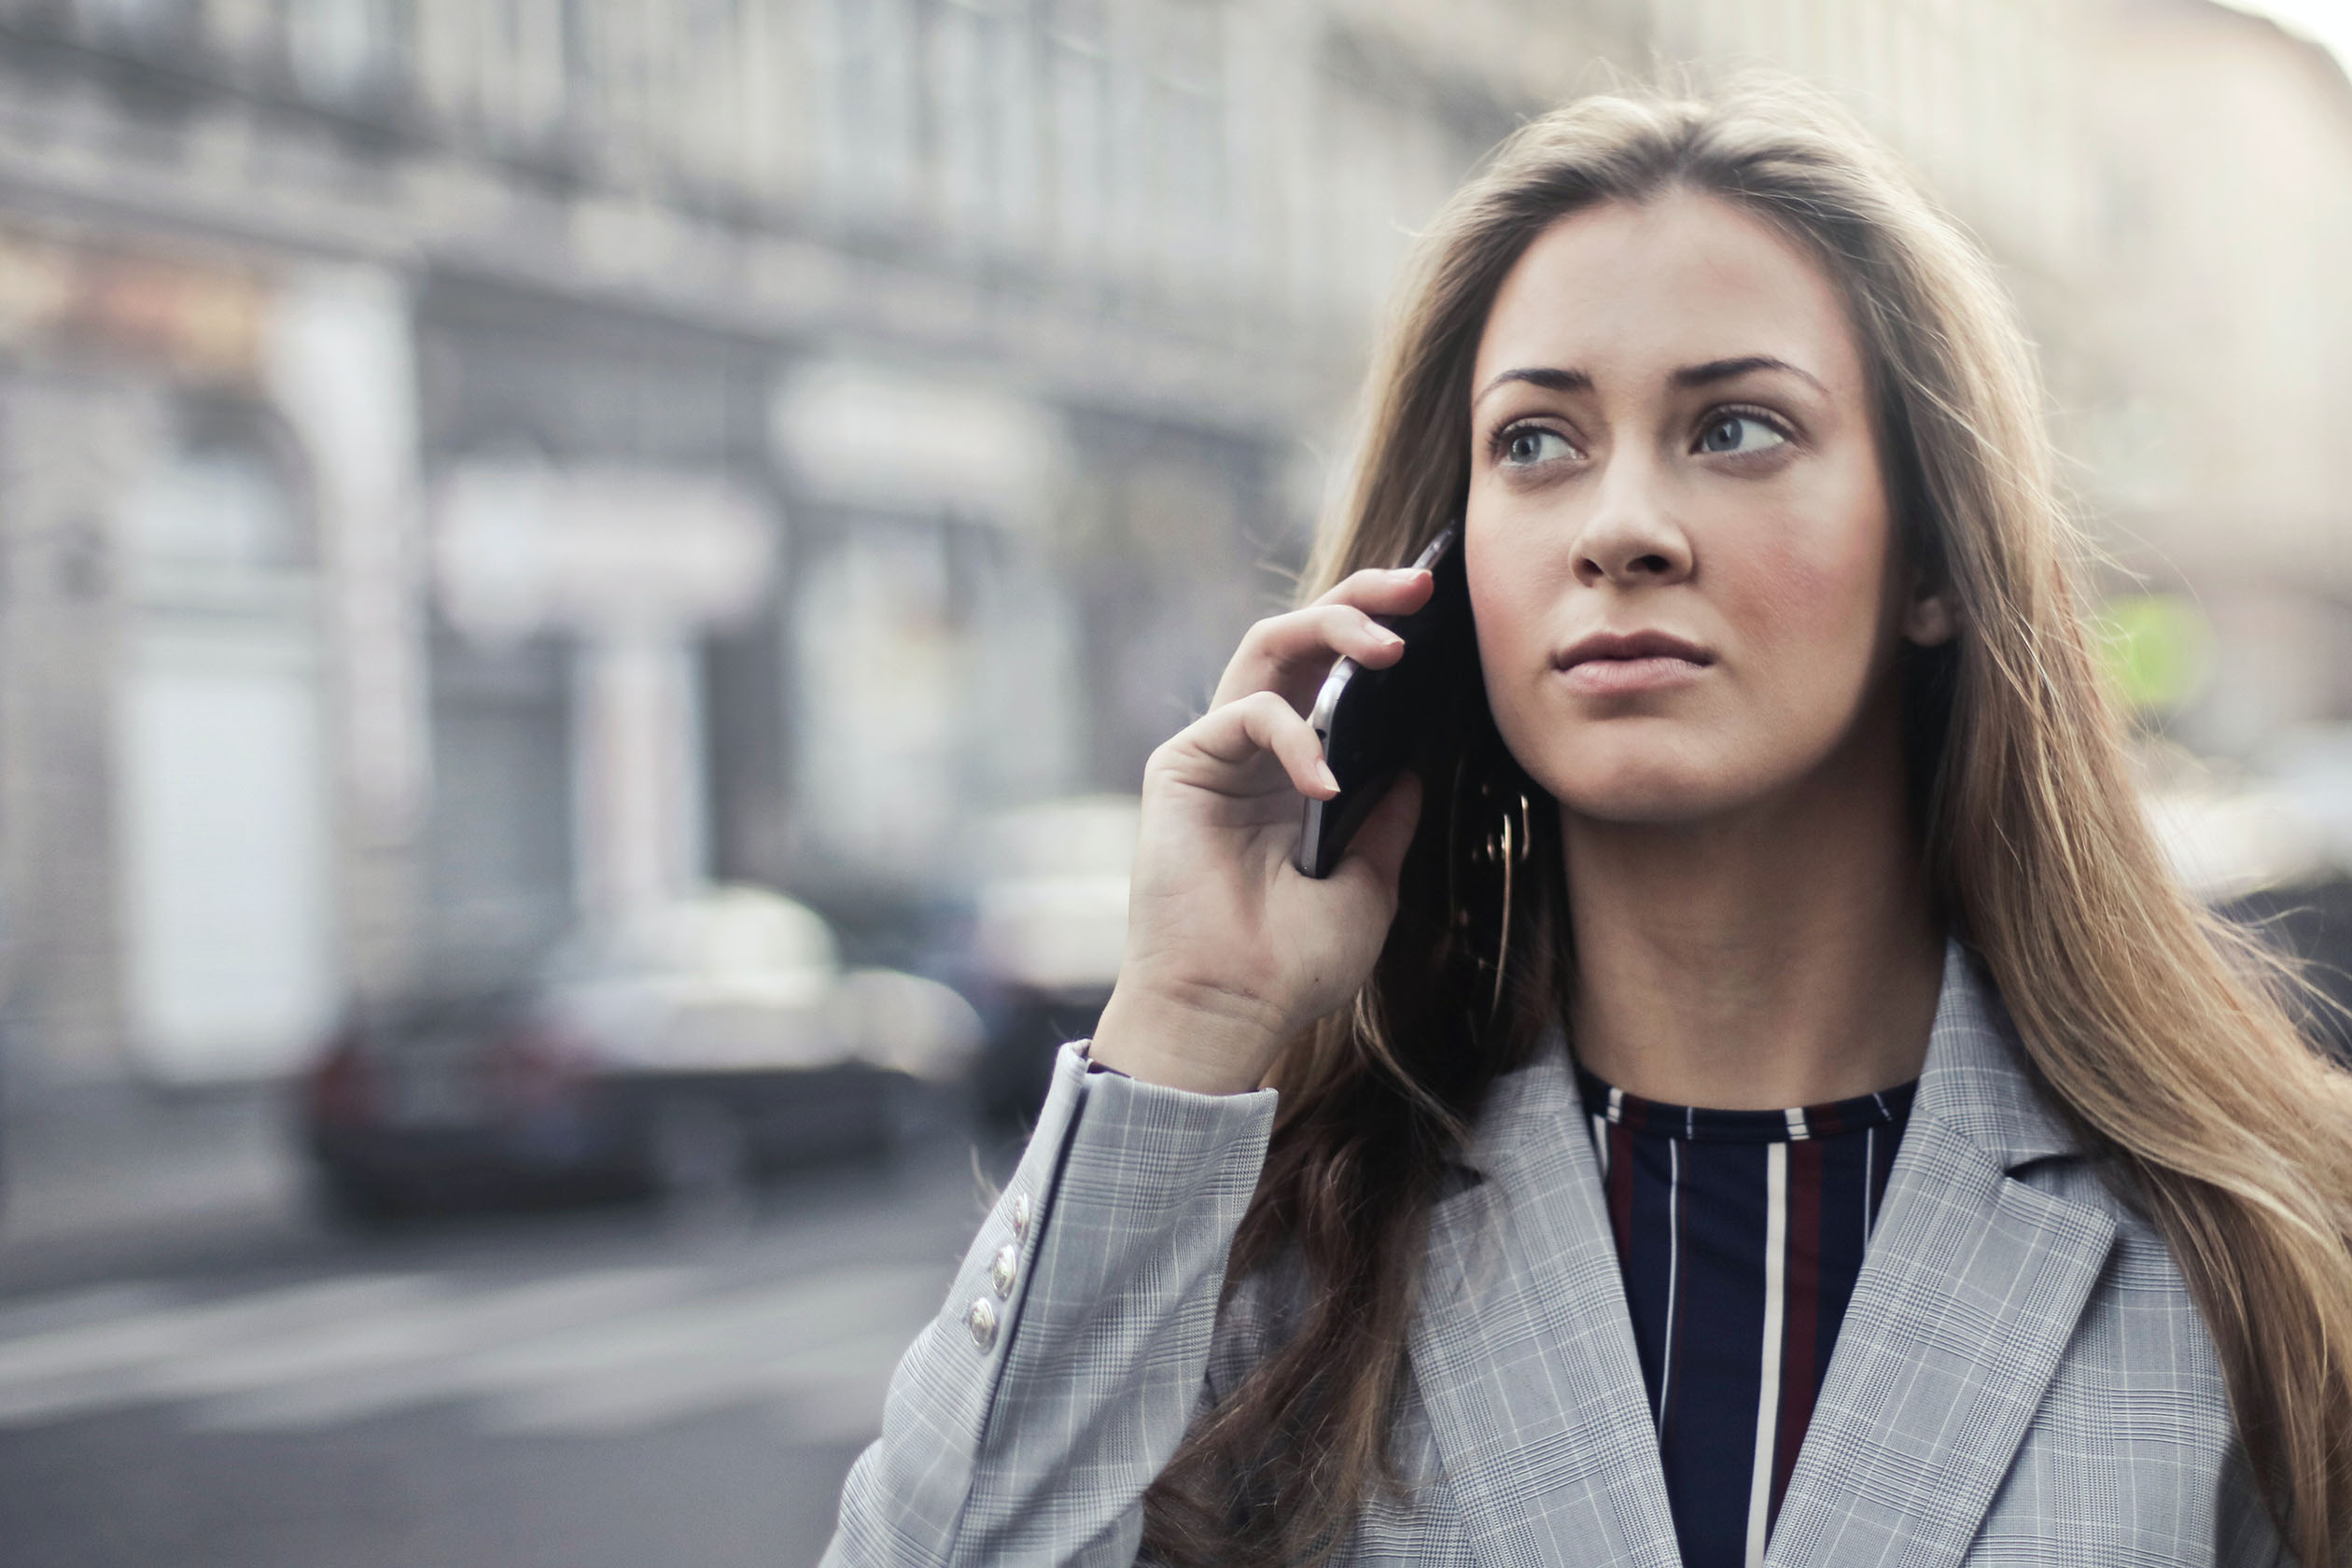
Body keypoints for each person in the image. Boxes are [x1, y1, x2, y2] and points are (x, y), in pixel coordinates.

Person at [824, 79, 2352, 1568]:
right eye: (1537, 444)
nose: (1621, 526)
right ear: (1447, 578)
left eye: (1739, 427)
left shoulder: (2252, 1249)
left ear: (1935, 559)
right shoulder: (1280, 1256)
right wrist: (1183, 1019)